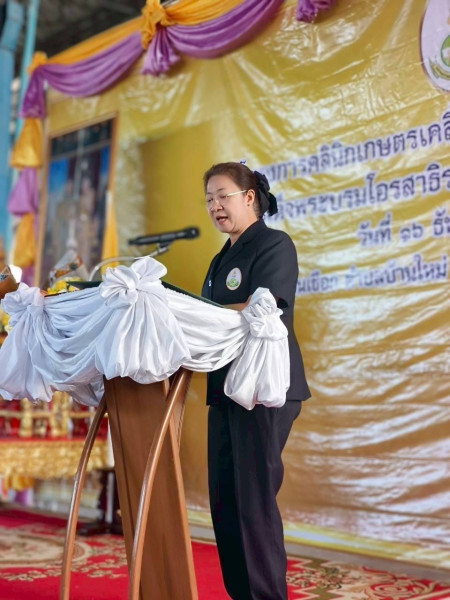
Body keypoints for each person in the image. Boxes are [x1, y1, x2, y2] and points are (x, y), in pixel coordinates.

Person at [201, 162, 311, 599]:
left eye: (222, 195)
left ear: (249, 197)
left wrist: (195, 316)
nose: (215, 205)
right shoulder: (220, 258)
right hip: (225, 388)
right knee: (225, 501)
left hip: (264, 389)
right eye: (209, 199)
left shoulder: (273, 244)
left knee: (254, 502)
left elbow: (261, 308)